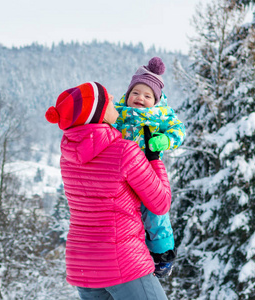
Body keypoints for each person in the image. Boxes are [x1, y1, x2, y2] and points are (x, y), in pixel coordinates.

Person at [45, 82, 171, 300]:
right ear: (98, 113)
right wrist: (154, 158)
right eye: (107, 99)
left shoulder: (68, 157)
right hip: (123, 263)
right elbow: (160, 203)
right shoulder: (125, 152)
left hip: (82, 266)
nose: (113, 97)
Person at [114, 57, 185, 278]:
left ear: (156, 100)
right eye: (135, 93)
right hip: (122, 175)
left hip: (149, 174)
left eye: (147, 96)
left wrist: (164, 141)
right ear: (127, 95)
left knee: (155, 213)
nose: (140, 99)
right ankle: (133, 251)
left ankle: (162, 255)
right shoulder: (118, 114)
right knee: (128, 214)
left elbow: (179, 131)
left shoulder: (160, 116)